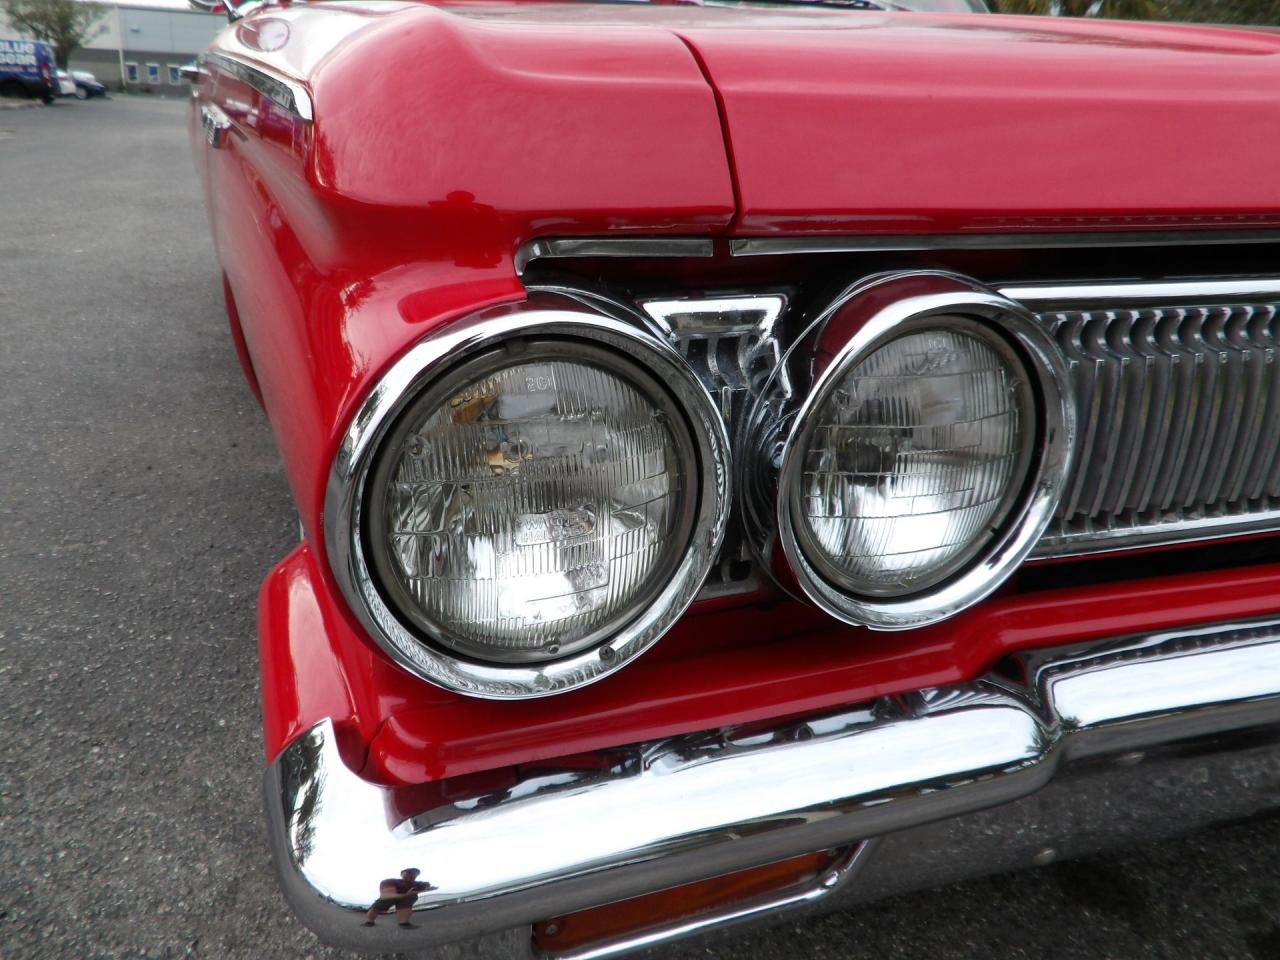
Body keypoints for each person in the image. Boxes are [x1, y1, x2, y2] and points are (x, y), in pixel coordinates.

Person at [361, 867, 434, 928]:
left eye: (415, 873)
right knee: (378, 906)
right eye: (408, 872)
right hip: (388, 897)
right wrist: (408, 894)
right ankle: (370, 921)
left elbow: (426, 885)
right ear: (401, 874)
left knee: (411, 896)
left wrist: (426, 886)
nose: (412, 874)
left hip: (405, 897)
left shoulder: (417, 883)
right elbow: (386, 896)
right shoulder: (389, 881)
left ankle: (403, 923)